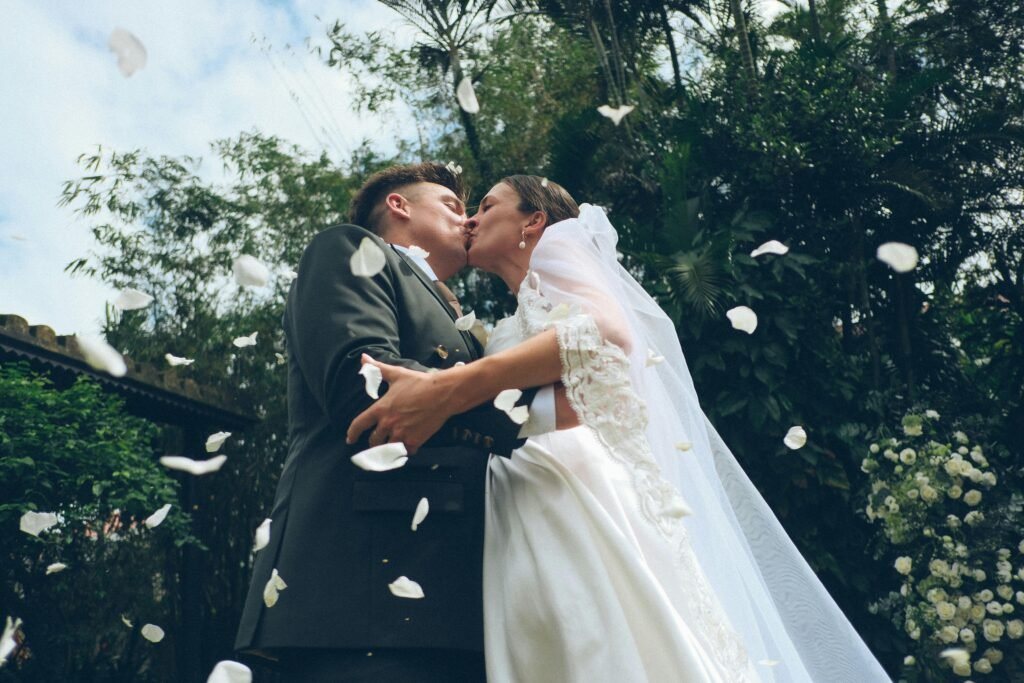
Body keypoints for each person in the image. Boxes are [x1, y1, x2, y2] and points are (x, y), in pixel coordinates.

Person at [350, 176, 893, 682]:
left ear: (532, 221)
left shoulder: (558, 250)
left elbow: (606, 334)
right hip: (528, 491)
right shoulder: (510, 320)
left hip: (572, 486)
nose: (471, 219)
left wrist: (451, 389)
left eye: (487, 206)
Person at [234, 163, 553, 682]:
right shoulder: (351, 249)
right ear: (399, 206)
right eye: (452, 206)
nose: (468, 220)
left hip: (458, 594)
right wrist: (536, 415)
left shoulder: (466, 324)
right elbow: (362, 383)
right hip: (364, 583)